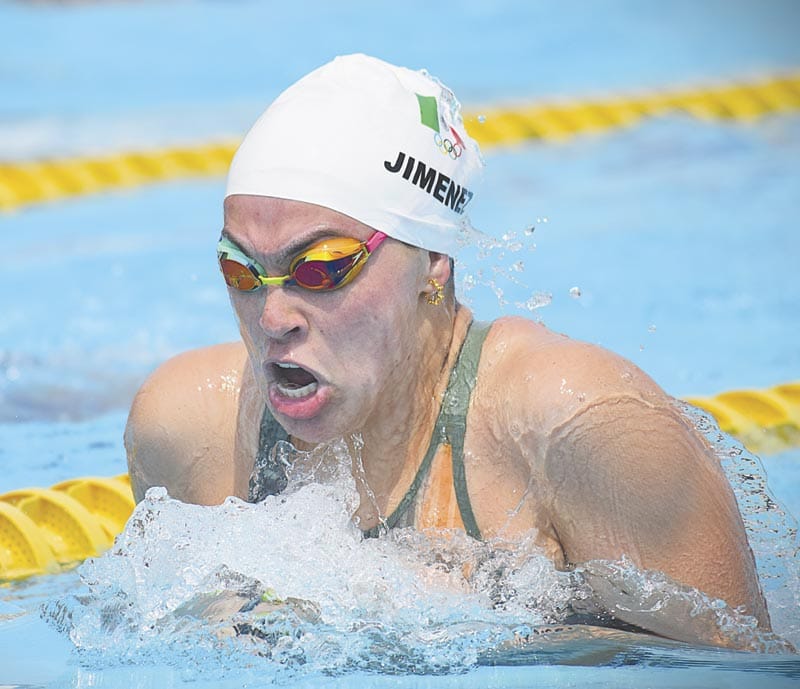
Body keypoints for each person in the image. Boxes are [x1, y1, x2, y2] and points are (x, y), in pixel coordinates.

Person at [125, 54, 771, 648]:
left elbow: (745, 672)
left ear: (433, 261)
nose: (271, 317)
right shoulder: (189, 432)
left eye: (320, 268)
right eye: (240, 271)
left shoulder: (585, 433)